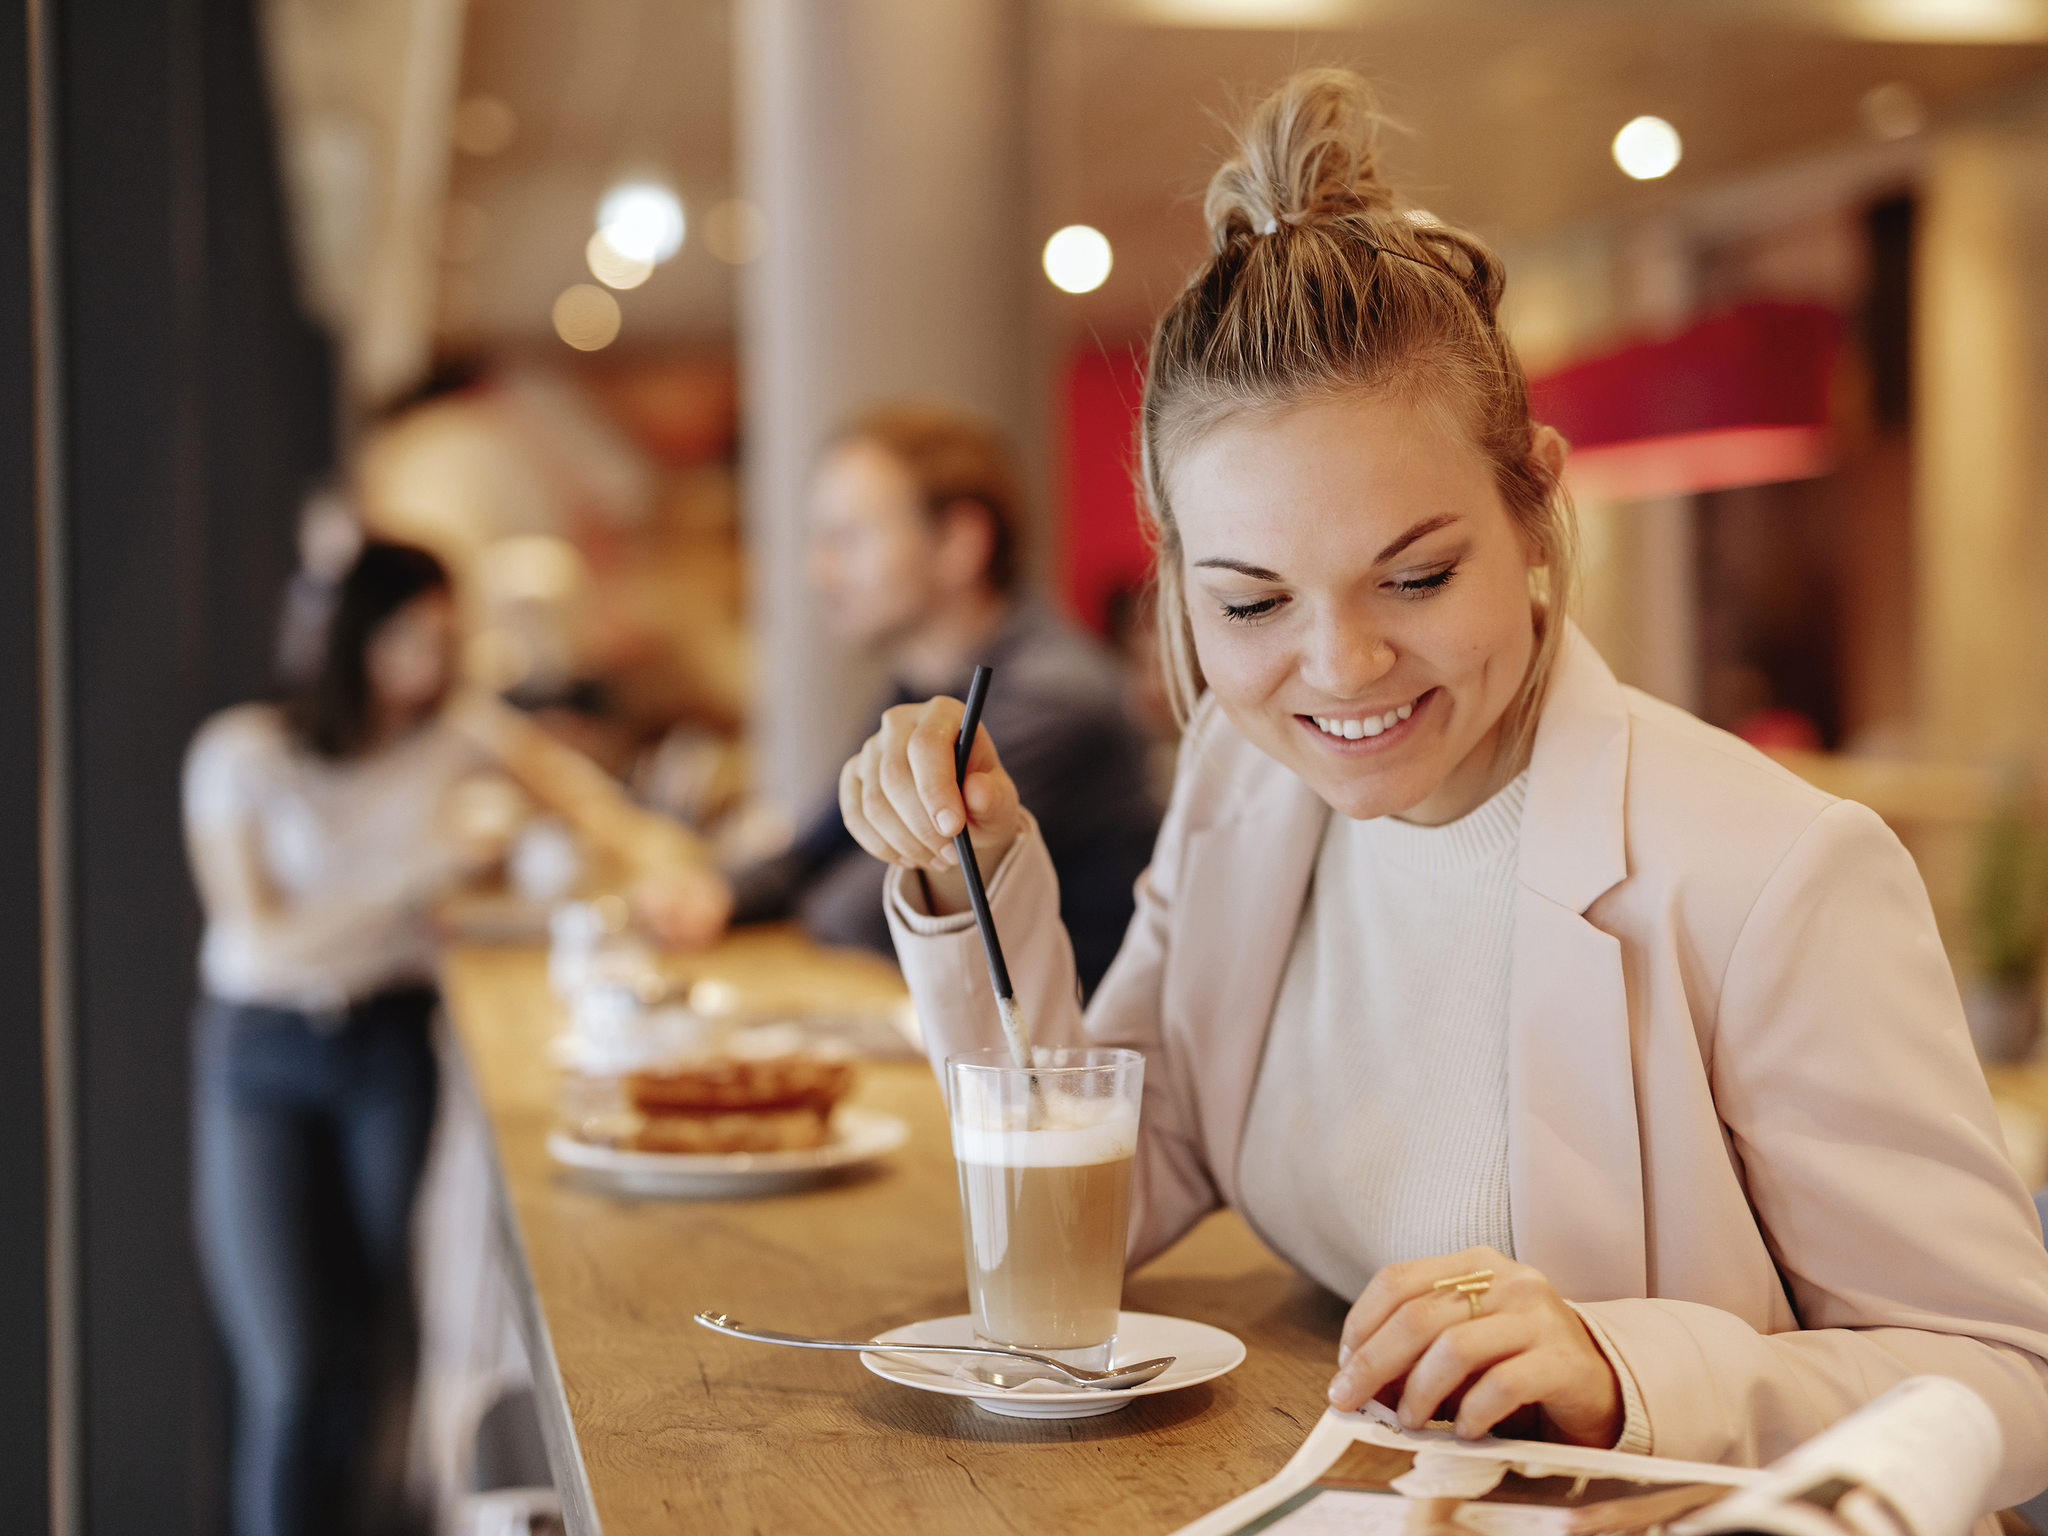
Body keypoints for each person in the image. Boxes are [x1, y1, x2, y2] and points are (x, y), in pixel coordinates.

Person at [839, 71, 2048, 1510]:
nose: (1340, 667)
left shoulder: (1773, 872)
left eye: (1416, 576)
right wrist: (966, 872)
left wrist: (1627, 1367)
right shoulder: (1246, 784)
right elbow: (1112, 1200)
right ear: (1178, 578)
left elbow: (2005, 1376)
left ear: (1533, 503)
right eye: (1251, 602)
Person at [185, 539, 727, 1536]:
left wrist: (680, 875)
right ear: (351, 636)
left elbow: (605, 815)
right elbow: (261, 938)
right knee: (295, 1362)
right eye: (408, 636)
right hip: (260, 1052)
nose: (432, 660)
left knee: (378, 1344)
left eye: (445, 635)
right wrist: (426, 870)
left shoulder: (460, 735)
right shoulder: (241, 755)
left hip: (388, 1047)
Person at [730, 402, 1158, 995]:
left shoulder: (1055, 698)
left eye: (848, 539)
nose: (819, 571)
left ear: (960, 542)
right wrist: (720, 897)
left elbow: (860, 912)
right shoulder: (924, 684)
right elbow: (821, 845)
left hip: (1065, 1060)